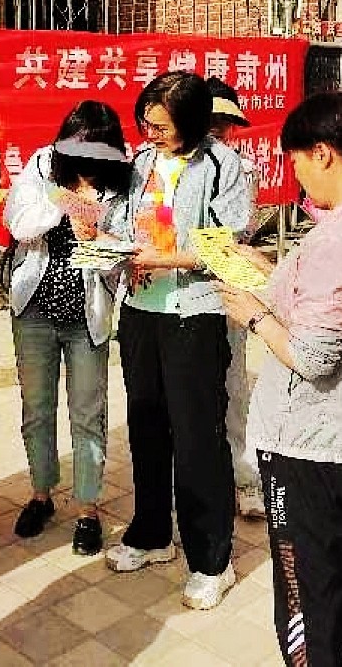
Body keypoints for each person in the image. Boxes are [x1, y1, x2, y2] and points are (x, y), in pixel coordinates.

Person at [218, 91, 342, 666]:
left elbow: (313, 356)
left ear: (323, 153)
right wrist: (274, 273)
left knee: (307, 593)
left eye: (296, 161)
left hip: (309, 445)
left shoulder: (336, 238)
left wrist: (253, 315)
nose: (296, 174)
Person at [103, 71, 253, 610]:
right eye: (146, 123)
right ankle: (151, 534)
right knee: (146, 428)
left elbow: (228, 244)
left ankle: (212, 559)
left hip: (194, 311)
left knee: (197, 438)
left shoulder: (223, 166)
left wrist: (166, 259)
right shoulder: (142, 162)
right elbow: (123, 223)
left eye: (162, 126)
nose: (152, 134)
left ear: (191, 122)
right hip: (141, 311)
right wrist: (114, 247)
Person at [4, 101, 132, 556]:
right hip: (35, 310)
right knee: (37, 408)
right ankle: (41, 494)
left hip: (87, 315)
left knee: (87, 412)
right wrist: (62, 208)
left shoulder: (122, 182)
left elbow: (128, 250)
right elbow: (16, 223)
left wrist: (98, 237)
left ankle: (87, 508)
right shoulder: (41, 166)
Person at [206, 76, 264, 520]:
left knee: (233, 384)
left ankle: (243, 478)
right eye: (210, 121)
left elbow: (244, 229)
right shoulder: (166, 166)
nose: (217, 130)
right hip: (179, 289)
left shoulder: (242, 169)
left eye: (224, 123)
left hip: (228, 284)